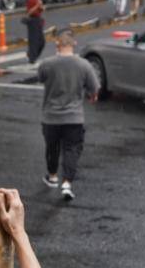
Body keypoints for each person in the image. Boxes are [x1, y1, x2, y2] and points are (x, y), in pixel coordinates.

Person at [37, 32, 99, 201]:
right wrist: (91, 96)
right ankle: (67, 183)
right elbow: (94, 90)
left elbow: (41, 78)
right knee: (71, 149)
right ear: (74, 44)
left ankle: (52, 176)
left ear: (58, 45)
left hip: (50, 117)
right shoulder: (84, 65)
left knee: (52, 148)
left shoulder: (47, 64)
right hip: (74, 118)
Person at [24, 0, 45, 64]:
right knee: (34, 41)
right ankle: (32, 58)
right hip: (33, 21)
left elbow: (42, 9)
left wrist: (41, 6)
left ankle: (31, 55)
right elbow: (28, 12)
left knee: (41, 41)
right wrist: (37, 5)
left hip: (38, 20)